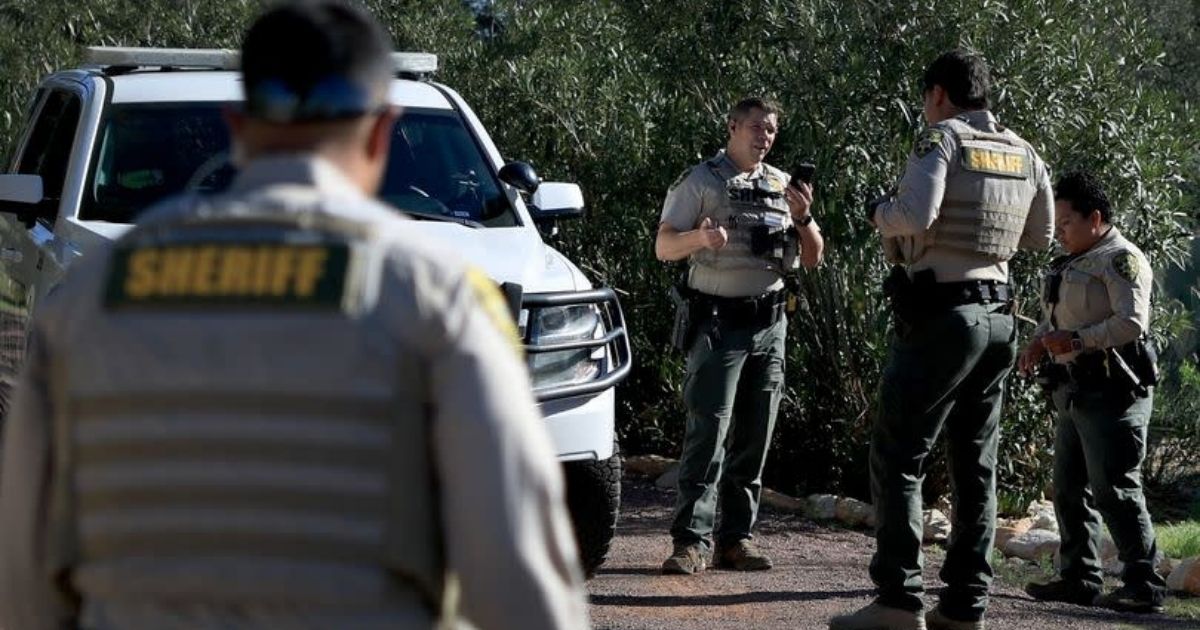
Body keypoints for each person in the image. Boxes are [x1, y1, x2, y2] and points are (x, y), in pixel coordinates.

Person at [0, 2, 589, 629]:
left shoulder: (89, 294)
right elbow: (521, 585)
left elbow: (25, 581)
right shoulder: (441, 297)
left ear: (237, 124)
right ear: (382, 131)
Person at [830, 49, 1054, 630]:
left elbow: (916, 213)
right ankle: (964, 607)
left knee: (899, 454)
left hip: (944, 318)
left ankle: (898, 601)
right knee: (976, 465)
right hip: (1000, 319)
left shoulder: (942, 140)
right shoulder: (1024, 151)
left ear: (937, 94)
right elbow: (1042, 234)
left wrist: (881, 211)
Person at [655, 97, 823, 575]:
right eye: (755, 127)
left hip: (770, 325)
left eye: (770, 130)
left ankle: (736, 539)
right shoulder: (702, 181)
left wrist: (804, 218)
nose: (764, 137)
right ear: (732, 127)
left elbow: (814, 257)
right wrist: (700, 239)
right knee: (708, 432)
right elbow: (663, 245)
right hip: (719, 324)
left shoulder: (783, 187)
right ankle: (691, 541)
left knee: (755, 436)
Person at [1020, 171, 1168, 614]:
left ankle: (1144, 584)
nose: (1060, 232)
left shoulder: (1120, 259)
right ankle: (1079, 578)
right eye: (1058, 223)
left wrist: (1078, 340)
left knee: (1115, 488)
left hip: (1113, 391)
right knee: (1068, 487)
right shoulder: (1073, 261)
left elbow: (1131, 322)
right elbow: (1060, 315)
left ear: (1096, 218)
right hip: (1075, 390)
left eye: (1067, 222)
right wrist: (1040, 341)